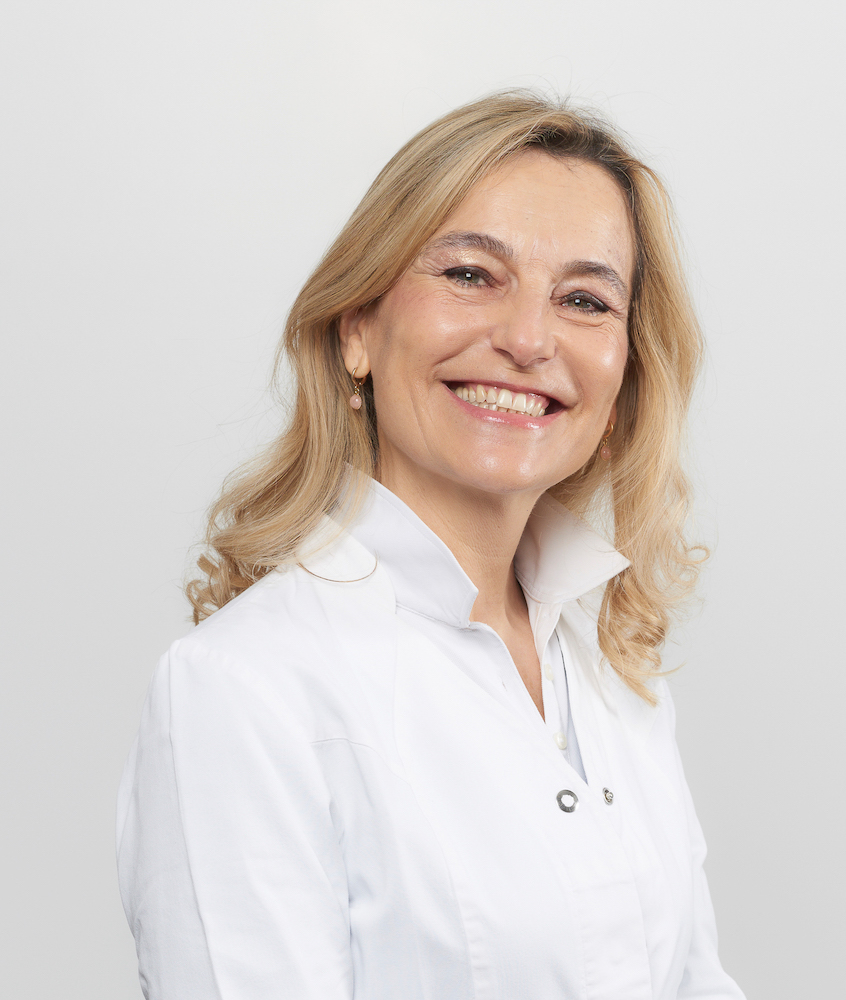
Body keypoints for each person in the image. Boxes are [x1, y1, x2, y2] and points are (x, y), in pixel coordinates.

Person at [116, 90, 746, 1000]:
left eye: (583, 299)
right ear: (358, 329)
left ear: (622, 386)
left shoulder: (613, 674)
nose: (527, 339)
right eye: (470, 274)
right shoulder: (241, 690)